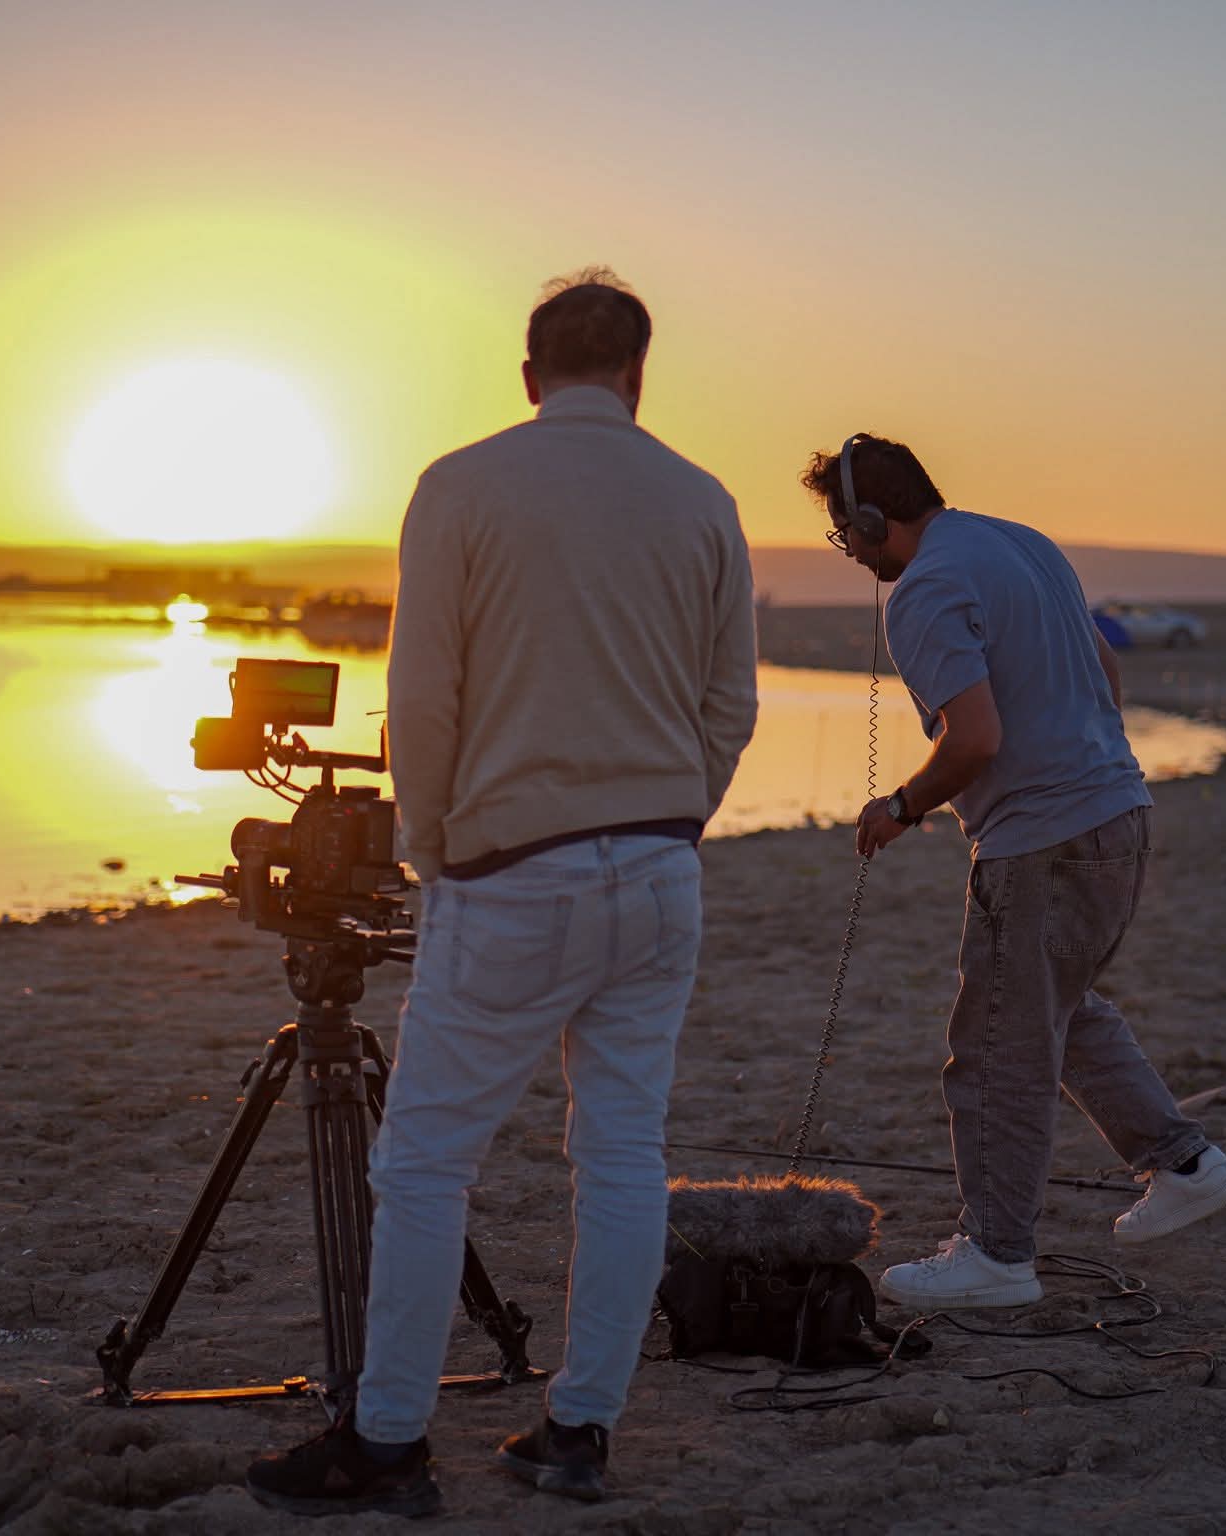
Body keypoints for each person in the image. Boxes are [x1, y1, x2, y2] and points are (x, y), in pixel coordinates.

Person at [247, 270, 758, 1514]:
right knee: (623, 1153)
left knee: (424, 1165)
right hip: (656, 870)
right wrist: (669, 816)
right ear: (638, 376)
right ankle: (577, 1431)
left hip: (510, 874)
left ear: (529, 377)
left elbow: (421, 699)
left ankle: (385, 1446)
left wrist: (433, 846)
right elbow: (728, 703)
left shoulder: (461, 485)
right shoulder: (701, 500)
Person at [801, 433, 1226, 1311]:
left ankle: (997, 1255)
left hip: (1045, 843)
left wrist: (901, 807)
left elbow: (974, 738)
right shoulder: (1020, 542)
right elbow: (1104, 669)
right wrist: (1087, 766)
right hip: (1120, 815)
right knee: (1056, 1010)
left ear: (869, 519)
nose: (849, 553)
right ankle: (1188, 1165)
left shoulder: (926, 588)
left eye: (843, 535)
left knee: (996, 1047)